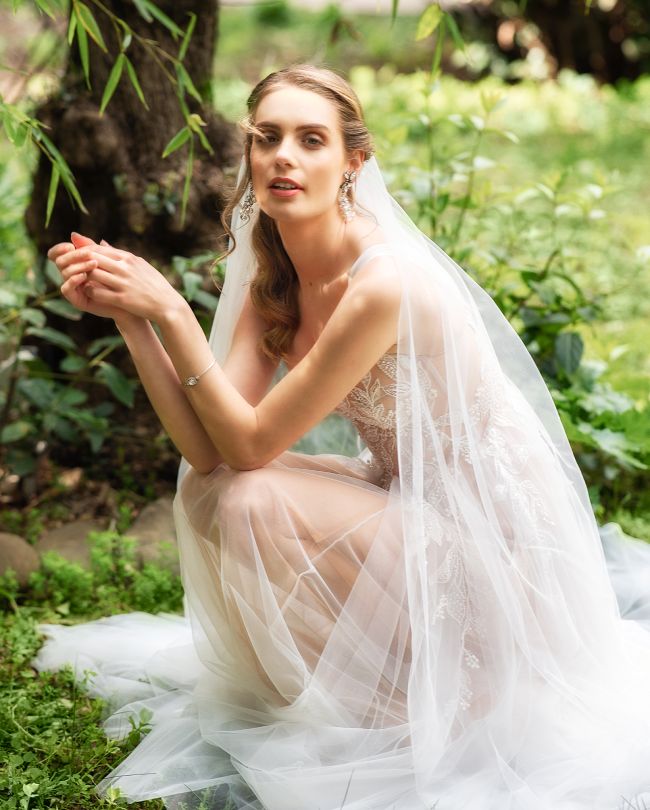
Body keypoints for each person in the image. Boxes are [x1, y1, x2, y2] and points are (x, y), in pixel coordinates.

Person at [34, 64, 650, 810]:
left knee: (249, 500)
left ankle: (405, 713)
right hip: (401, 498)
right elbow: (209, 448)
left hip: (489, 543)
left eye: (310, 140)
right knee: (209, 491)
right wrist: (136, 323)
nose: (283, 156)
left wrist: (172, 313)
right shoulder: (275, 267)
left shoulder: (382, 283)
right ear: (250, 154)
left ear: (353, 162)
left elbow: (253, 445)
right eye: (267, 138)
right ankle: (363, 694)